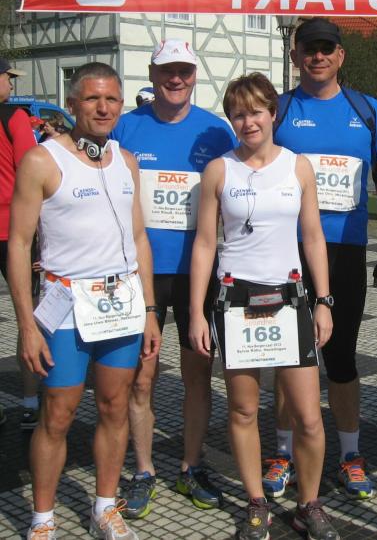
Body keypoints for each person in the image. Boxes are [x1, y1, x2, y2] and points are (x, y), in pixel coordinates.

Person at [8, 62, 161, 540]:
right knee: (58, 414)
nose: (103, 107)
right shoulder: (43, 160)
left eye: (112, 99)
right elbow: (19, 243)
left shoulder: (126, 160)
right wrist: (26, 325)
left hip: (121, 304)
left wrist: (151, 311)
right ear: (72, 104)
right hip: (67, 306)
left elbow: (139, 238)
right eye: (92, 99)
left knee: (115, 406)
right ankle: (43, 519)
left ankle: (104, 507)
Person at [189, 72, 339, 540]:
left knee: (309, 416)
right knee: (243, 410)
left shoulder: (298, 167)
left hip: (289, 298)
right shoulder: (219, 170)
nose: (248, 121)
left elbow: (313, 236)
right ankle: (257, 502)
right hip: (236, 301)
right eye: (238, 114)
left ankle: (308, 504)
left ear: (273, 113)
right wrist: (196, 312)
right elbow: (205, 244)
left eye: (256, 111)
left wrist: (323, 301)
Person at [265, 17, 377, 500]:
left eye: (327, 48)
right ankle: (283, 452)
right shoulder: (279, 110)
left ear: (341, 55)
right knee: (287, 356)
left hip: (344, 252)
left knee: (341, 357)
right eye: (309, 48)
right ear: (295, 55)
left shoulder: (367, 110)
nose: (318, 56)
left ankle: (350, 454)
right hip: (286, 252)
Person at [111, 39, 238, 518]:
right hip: (139, 271)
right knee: (141, 378)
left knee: (198, 375)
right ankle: (144, 470)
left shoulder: (216, 131)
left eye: (184, 70)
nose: (176, 79)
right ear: (153, 73)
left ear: (194, 75)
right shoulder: (127, 126)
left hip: (196, 274)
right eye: (167, 70)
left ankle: (191, 465)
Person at [0, 57, 40, 431]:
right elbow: (32, 171)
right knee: (27, 315)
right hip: (14, 231)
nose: (11, 85)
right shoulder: (14, 118)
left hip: (11, 230)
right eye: (7, 78)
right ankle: (30, 401)